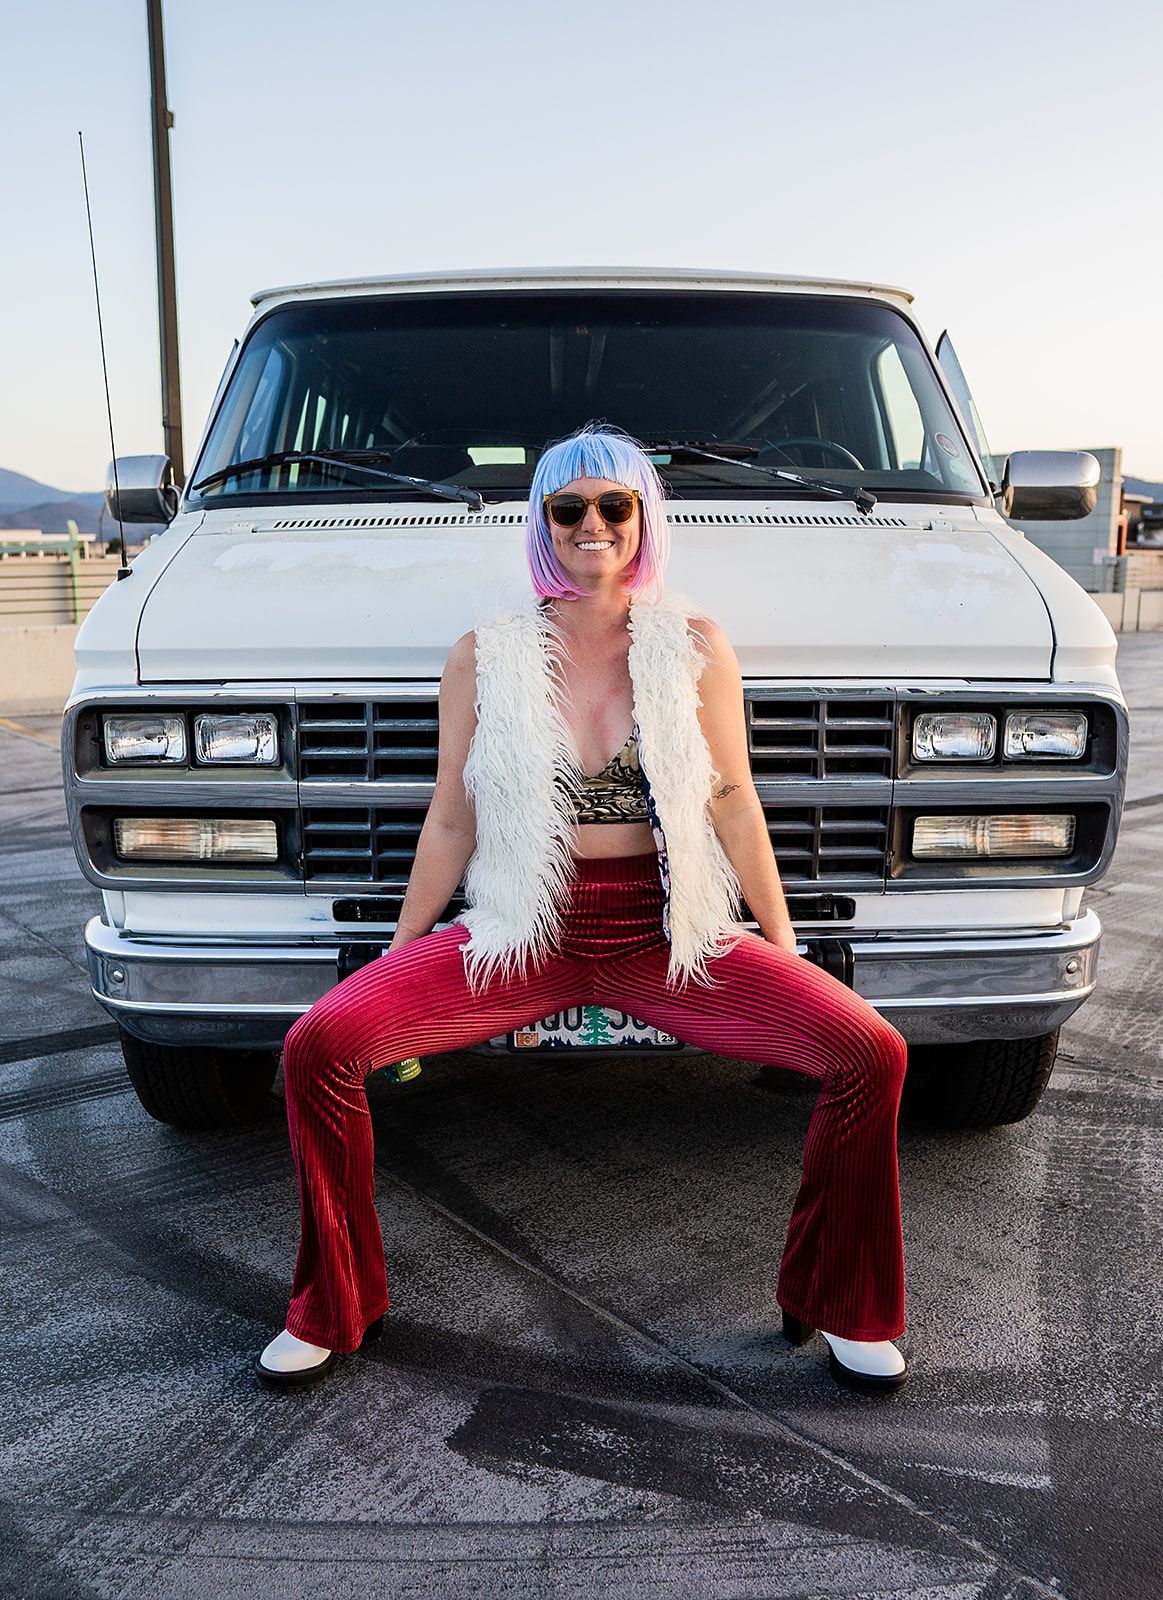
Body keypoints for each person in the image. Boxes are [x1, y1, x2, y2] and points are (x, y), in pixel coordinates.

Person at [258, 424, 910, 1396]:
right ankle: (332, 1303)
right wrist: (393, 963)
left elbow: (731, 797)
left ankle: (840, 1298)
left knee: (870, 1051)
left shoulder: (692, 644)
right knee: (319, 1044)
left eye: (614, 505)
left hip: (665, 933)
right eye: (568, 508)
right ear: (543, 523)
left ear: (643, 516)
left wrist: (785, 946)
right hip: (526, 931)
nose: (591, 524)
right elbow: (450, 816)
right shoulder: (486, 652)